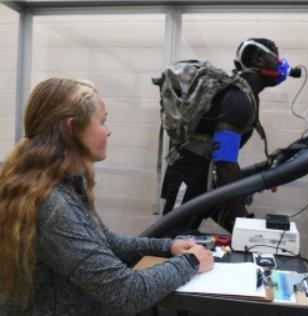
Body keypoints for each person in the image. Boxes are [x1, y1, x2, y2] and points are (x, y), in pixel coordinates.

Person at [0, 78, 215, 315]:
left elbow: (106, 241)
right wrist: (191, 262)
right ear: (72, 129)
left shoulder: (63, 181)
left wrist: (168, 246)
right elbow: (127, 292)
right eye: (102, 121)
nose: (108, 130)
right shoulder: (52, 204)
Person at [160, 38, 291, 232]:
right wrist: (244, 224)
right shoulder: (238, 100)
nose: (281, 64)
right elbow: (224, 161)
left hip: (206, 177)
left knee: (243, 233)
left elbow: (225, 160)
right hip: (189, 178)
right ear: (259, 59)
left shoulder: (245, 95)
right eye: (277, 58)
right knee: (169, 240)